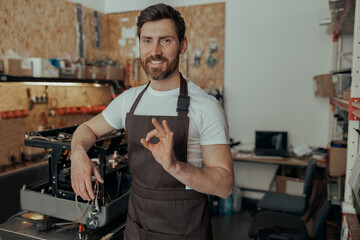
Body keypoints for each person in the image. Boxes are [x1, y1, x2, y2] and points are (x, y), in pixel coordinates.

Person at [70, 3, 234, 239]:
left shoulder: (206, 107)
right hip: (138, 227)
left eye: (165, 40)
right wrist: (77, 154)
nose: (154, 50)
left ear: (183, 45)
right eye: (147, 41)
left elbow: (225, 185)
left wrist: (174, 167)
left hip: (184, 230)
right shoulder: (129, 100)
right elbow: (86, 129)